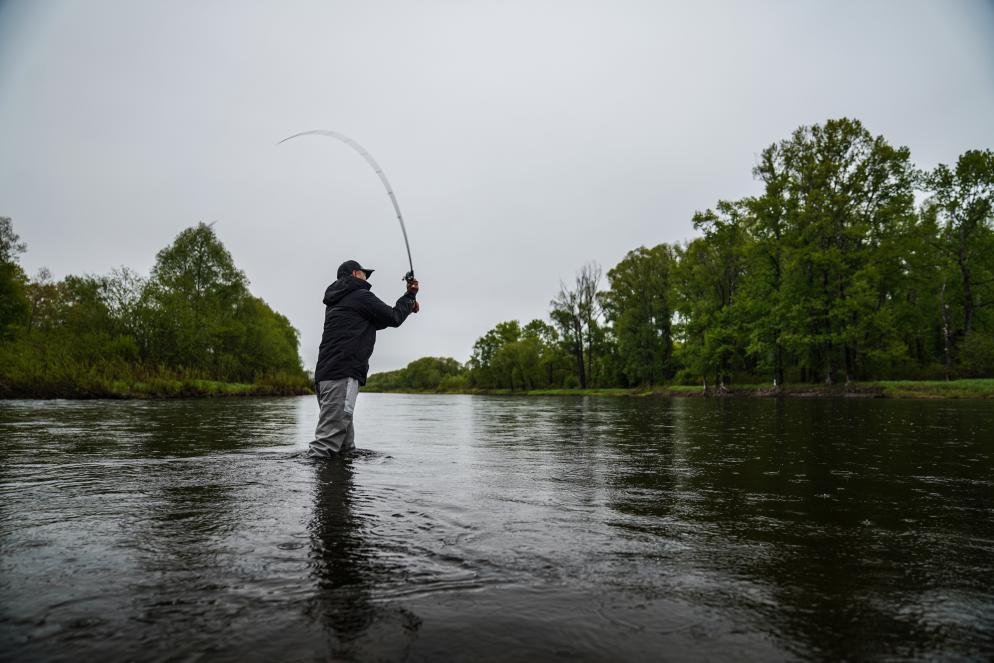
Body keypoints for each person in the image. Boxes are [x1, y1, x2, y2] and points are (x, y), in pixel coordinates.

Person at [309, 260, 419, 457]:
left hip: (325, 377)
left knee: (345, 448)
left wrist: (408, 303)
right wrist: (410, 296)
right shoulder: (359, 295)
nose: (366, 277)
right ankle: (320, 488)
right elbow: (393, 317)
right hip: (343, 374)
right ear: (354, 274)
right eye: (364, 273)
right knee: (324, 447)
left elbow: (381, 319)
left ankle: (340, 486)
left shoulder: (338, 301)